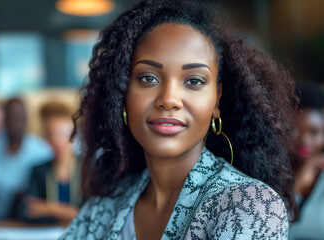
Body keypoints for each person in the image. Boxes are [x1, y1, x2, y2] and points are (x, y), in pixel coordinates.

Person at [61, 0, 298, 239]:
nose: (169, 99)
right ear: (122, 94)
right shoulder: (108, 203)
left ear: (216, 100)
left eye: (194, 81)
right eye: (148, 78)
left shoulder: (248, 205)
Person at [0, 97, 54, 220]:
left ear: (27, 120)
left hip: (32, 223)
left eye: (20, 117)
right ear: (4, 120)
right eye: (12, 117)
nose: (16, 122)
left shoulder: (42, 151)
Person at [17, 101, 81, 223]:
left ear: (75, 132)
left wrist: (49, 208)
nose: (57, 140)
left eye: (64, 133)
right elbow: (26, 211)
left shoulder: (89, 168)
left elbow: (92, 214)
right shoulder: (38, 170)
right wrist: (70, 212)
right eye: (51, 134)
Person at [289, 82, 324, 239]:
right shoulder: (267, 174)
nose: (304, 140)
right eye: (295, 130)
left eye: (314, 132)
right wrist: (299, 184)